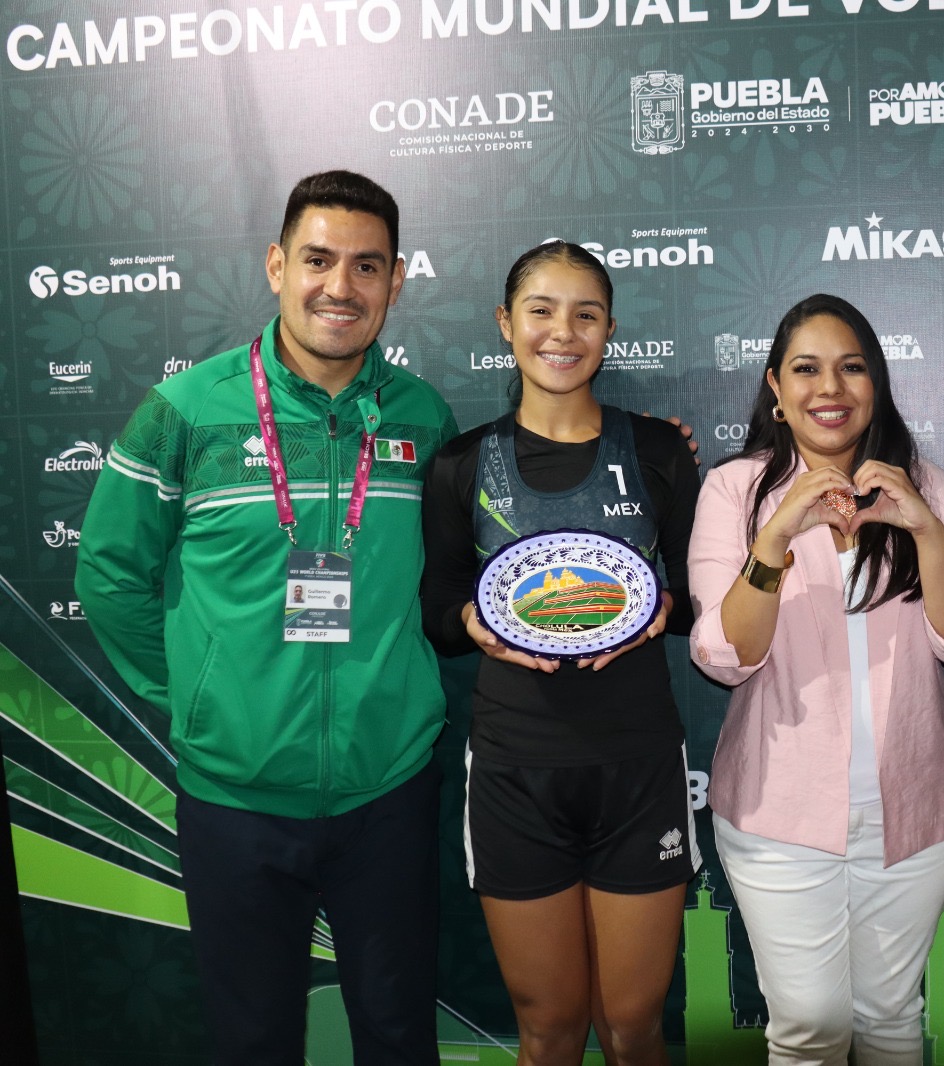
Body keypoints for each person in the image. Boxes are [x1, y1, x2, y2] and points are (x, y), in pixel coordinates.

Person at [75, 170, 456, 1064]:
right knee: (254, 1042)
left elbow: (454, 578)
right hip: (233, 802)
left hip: (388, 793)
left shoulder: (423, 418)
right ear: (277, 265)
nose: (341, 287)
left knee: (399, 1037)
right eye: (318, 260)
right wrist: (206, 701)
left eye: (368, 267)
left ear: (397, 282)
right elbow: (110, 573)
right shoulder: (187, 410)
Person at [688, 294, 944, 1065]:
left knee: (893, 1017)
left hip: (915, 810)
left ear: (877, 383)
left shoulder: (928, 486)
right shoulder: (735, 490)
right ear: (775, 387)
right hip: (778, 816)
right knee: (810, 1028)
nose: (830, 388)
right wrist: (776, 535)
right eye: (806, 369)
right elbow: (725, 655)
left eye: (851, 367)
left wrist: (923, 524)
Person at [420, 241, 700, 1066]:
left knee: (633, 1024)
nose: (562, 331)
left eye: (585, 314)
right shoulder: (460, 464)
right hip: (515, 776)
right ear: (507, 324)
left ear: (610, 330)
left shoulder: (658, 450)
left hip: (638, 767)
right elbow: (437, 612)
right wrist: (469, 622)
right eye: (541, 310)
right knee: (547, 1029)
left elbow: (693, 596)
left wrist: (665, 608)